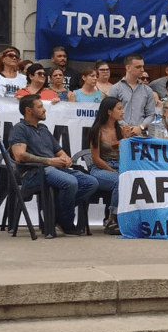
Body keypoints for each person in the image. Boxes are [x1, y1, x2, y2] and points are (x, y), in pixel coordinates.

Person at [9, 95, 98, 236]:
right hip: (33, 174)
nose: (44, 110)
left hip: (54, 170)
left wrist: (66, 159)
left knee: (91, 182)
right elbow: (19, 156)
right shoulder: (19, 129)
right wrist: (49, 161)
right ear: (28, 110)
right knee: (70, 182)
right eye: (40, 107)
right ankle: (66, 222)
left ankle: (55, 214)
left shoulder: (43, 129)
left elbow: (60, 152)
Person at [87, 96, 123, 235]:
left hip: (120, 166)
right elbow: (96, 159)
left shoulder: (121, 130)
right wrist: (112, 170)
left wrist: (125, 140)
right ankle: (112, 219)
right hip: (101, 168)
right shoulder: (97, 131)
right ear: (109, 112)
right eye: (119, 109)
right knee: (120, 181)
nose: (122, 112)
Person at [107, 54, 157, 137]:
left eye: (143, 66)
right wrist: (125, 126)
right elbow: (111, 112)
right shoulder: (115, 88)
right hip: (119, 132)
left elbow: (150, 114)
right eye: (138, 67)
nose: (142, 70)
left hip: (140, 134)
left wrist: (140, 127)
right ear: (128, 68)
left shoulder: (148, 90)